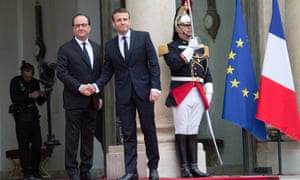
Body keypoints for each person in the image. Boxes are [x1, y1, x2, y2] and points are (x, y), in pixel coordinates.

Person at [95, 8, 161, 180]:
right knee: (128, 132)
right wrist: (96, 87)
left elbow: (153, 63)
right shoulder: (110, 46)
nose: (122, 22)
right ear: (113, 23)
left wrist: (155, 87)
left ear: (129, 21)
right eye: (118, 20)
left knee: (149, 130)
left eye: (125, 19)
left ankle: (153, 167)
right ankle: (131, 172)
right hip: (124, 94)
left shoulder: (143, 37)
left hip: (144, 92)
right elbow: (107, 72)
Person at [158, 2, 212, 178]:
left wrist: (209, 90)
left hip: (198, 91)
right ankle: (184, 167)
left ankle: (194, 165)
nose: (189, 28)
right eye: (185, 25)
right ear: (177, 27)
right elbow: (175, 64)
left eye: (190, 25)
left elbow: (206, 72)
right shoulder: (170, 47)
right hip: (181, 91)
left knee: (193, 129)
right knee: (181, 128)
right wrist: (189, 49)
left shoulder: (201, 48)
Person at [56, 14, 103, 180]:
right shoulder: (65, 49)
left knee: (88, 137)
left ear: (90, 27)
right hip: (74, 100)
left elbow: (100, 74)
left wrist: (99, 94)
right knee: (72, 137)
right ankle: (72, 171)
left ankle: (86, 170)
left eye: (84, 25)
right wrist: (79, 87)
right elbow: (61, 72)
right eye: (77, 25)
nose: (81, 28)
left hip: (92, 100)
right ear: (73, 28)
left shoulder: (97, 48)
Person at [9, 60, 46, 180]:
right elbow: (14, 98)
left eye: (30, 76)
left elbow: (40, 102)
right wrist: (30, 95)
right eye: (26, 76)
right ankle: (26, 172)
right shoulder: (15, 82)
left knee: (37, 144)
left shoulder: (35, 82)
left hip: (33, 117)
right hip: (21, 117)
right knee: (23, 146)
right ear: (22, 73)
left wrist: (42, 94)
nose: (28, 78)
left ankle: (35, 171)